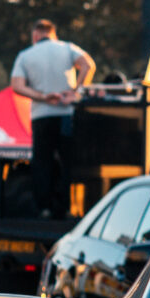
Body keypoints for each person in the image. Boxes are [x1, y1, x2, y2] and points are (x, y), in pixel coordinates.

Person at [10, 17, 95, 218]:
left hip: (41, 115)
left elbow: (17, 85)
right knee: (67, 161)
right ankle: (66, 207)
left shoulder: (25, 55)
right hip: (66, 113)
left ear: (35, 35)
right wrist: (76, 91)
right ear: (53, 34)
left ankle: (44, 208)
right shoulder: (67, 48)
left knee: (42, 161)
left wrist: (41, 96)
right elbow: (88, 65)